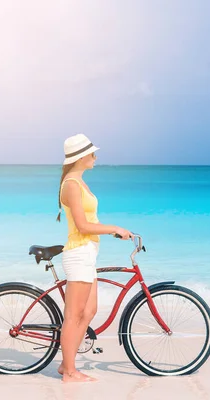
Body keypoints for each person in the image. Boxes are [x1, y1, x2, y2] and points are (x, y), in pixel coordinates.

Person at [56, 133, 132, 383]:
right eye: (92, 153)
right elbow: (82, 225)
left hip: (88, 252)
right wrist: (114, 228)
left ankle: (67, 363)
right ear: (80, 157)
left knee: (89, 311)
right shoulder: (71, 185)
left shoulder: (79, 182)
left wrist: (110, 232)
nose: (95, 157)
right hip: (78, 253)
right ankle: (69, 371)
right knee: (74, 314)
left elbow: (89, 223)